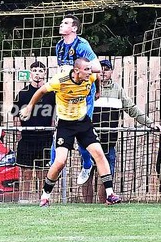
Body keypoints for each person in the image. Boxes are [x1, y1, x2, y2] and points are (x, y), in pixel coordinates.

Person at [20, 57, 121, 207]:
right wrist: (29, 108)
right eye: (86, 69)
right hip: (65, 125)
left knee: (99, 154)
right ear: (76, 71)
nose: (90, 72)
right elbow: (41, 91)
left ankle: (110, 194)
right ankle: (45, 196)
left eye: (90, 69)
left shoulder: (90, 77)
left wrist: (98, 92)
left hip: (83, 122)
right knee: (60, 161)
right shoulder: (60, 80)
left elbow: (96, 79)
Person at [88, 59, 161, 201]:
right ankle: (86, 206)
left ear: (111, 72)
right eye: (100, 69)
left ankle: (103, 205)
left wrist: (150, 123)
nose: (103, 72)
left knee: (107, 175)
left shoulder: (117, 90)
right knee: (87, 174)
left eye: (106, 69)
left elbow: (132, 109)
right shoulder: (88, 87)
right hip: (89, 141)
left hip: (109, 142)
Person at [54, 15, 102, 185]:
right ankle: (54, 167)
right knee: (58, 135)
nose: (61, 24)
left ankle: (87, 164)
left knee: (82, 134)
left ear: (74, 28)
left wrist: (74, 69)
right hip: (67, 97)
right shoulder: (59, 46)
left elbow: (97, 68)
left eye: (66, 23)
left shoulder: (82, 45)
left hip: (84, 97)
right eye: (61, 22)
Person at [11, 61, 56, 201]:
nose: (37, 73)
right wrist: (19, 135)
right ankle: (24, 200)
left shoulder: (51, 93)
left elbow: (55, 115)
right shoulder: (22, 94)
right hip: (27, 139)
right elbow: (15, 116)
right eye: (35, 70)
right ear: (30, 73)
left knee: (44, 173)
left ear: (45, 73)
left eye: (40, 71)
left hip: (45, 138)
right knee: (26, 173)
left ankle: (43, 200)